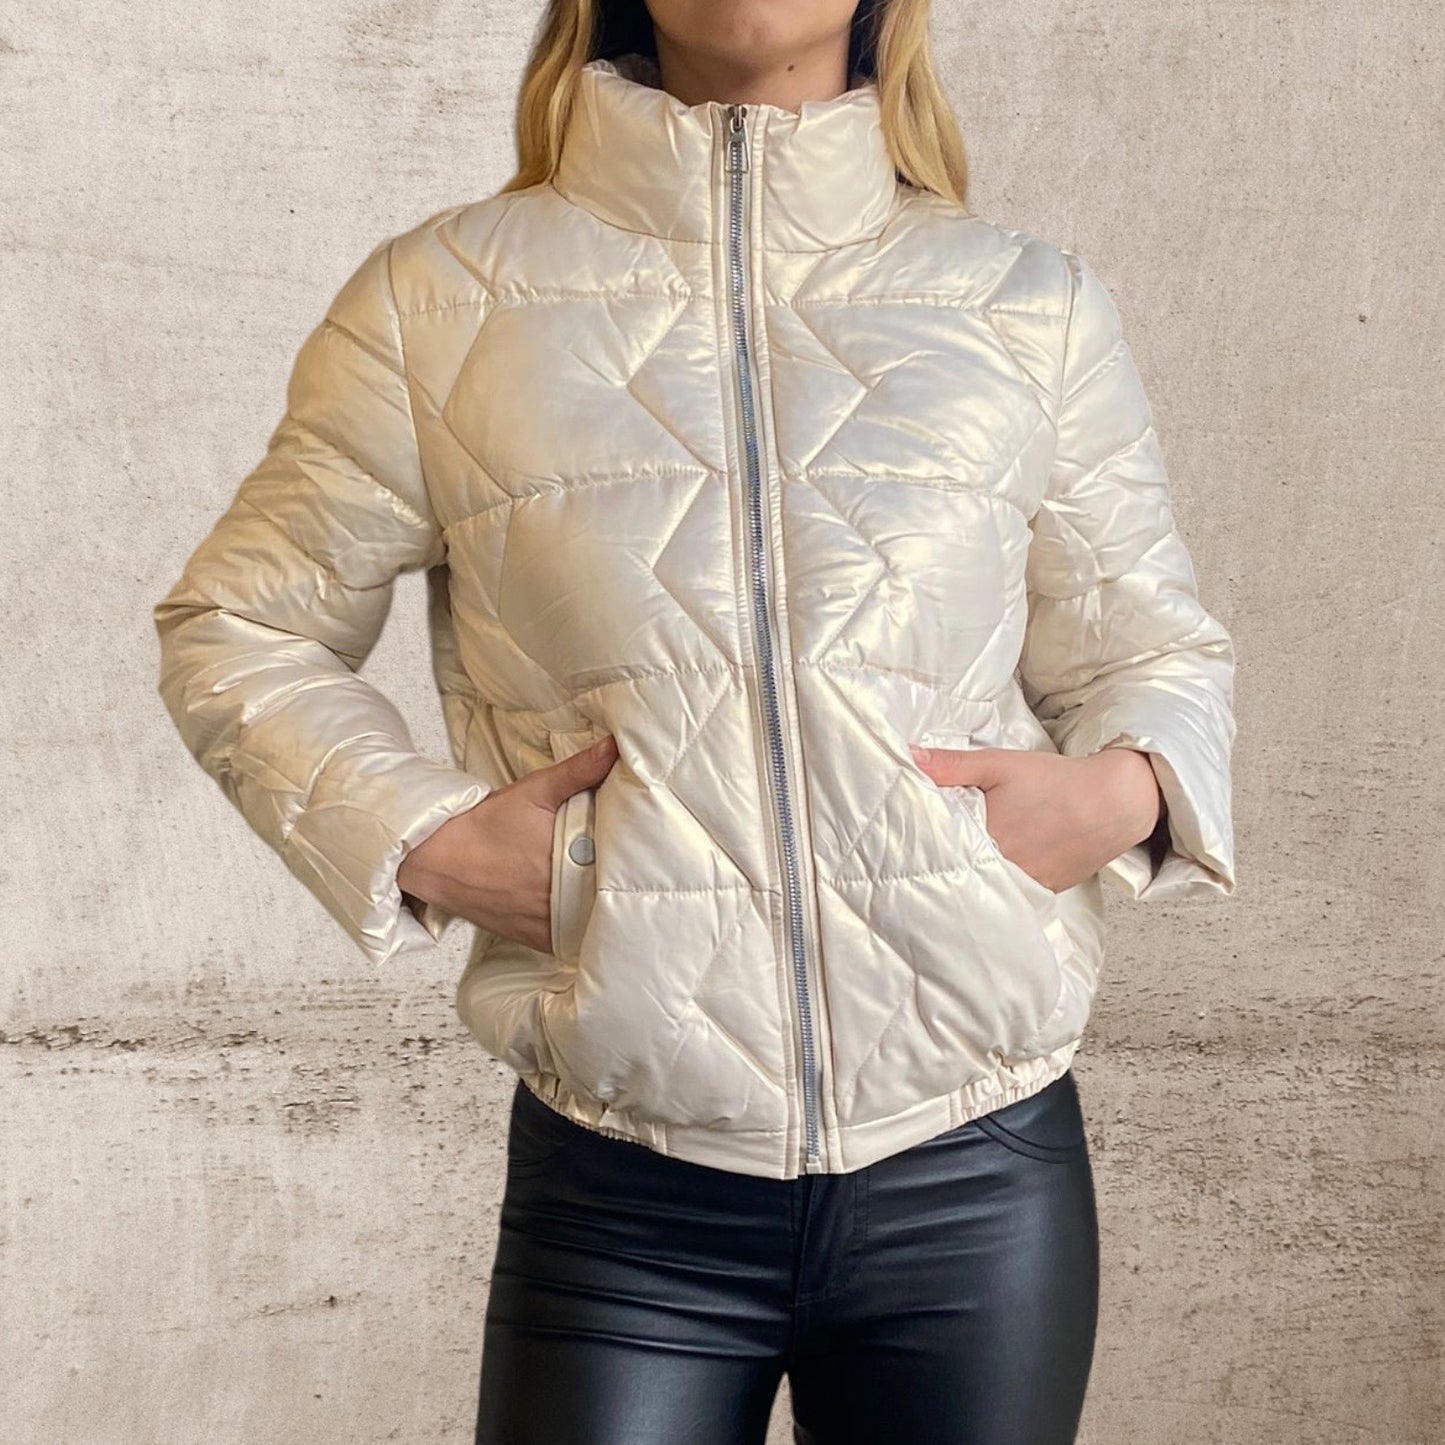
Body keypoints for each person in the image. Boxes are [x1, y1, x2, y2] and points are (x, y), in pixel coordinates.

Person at [152, 1, 1238, 1440]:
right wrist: (424, 840)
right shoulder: (438, 302)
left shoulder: (1025, 305)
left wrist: (1119, 792)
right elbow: (239, 625)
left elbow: (1152, 645)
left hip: (975, 1174)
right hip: (624, 1187)